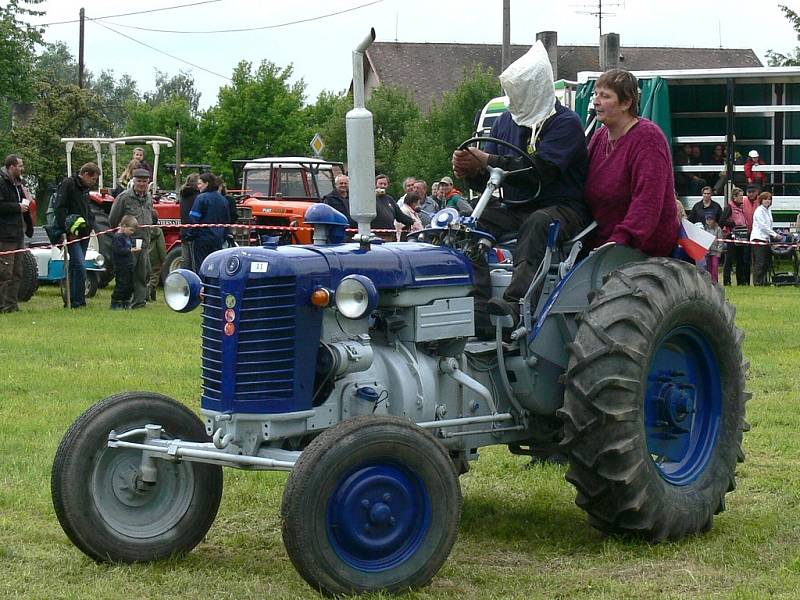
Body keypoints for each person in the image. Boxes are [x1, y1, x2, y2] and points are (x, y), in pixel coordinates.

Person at [452, 41, 590, 339]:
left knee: (538, 223)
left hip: (562, 205)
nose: (514, 100)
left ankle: (515, 306)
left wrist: (486, 159)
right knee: (471, 225)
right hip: (517, 206)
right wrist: (471, 171)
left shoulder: (566, 124)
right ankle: (477, 303)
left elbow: (542, 170)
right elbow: (495, 175)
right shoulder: (505, 121)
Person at [584, 68, 678, 257]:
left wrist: (621, 240)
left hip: (642, 251)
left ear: (626, 102)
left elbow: (647, 201)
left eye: (605, 96)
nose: (596, 101)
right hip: (601, 244)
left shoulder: (648, 138)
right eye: (596, 94)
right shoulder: (598, 137)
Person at [53, 162, 101, 308]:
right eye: (93, 179)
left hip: (84, 233)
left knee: (76, 266)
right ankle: (79, 301)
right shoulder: (68, 184)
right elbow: (59, 208)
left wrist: (91, 224)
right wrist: (67, 232)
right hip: (72, 235)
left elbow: (87, 209)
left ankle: (73, 300)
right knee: (80, 265)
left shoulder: (85, 189)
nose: (94, 183)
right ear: (86, 174)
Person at [109, 168, 158, 309]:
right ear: (134, 181)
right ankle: (121, 301)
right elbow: (113, 219)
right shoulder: (124, 197)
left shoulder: (149, 197)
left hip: (144, 240)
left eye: (145, 181)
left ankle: (139, 302)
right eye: (139, 181)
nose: (142, 184)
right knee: (127, 274)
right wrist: (121, 236)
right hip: (128, 242)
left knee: (143, 273)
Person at [0, 154, 33, 314]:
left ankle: (11, 305)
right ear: (11, 167)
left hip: (18, 233)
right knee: (5, 272)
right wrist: (17, 207)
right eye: (20, 166)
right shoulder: (1, 182)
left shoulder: (18, 183)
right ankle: (2, 306)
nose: (22, 168)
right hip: (5, 234)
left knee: (17, 272)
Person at [187, 173, 231, 271]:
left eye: (200, 183)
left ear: (206, 184)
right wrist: (223, 237)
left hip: (202, 239)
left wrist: (189, 235)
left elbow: (194, 220)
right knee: (216, 267)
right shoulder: (223, 200)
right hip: (218, 240)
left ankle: (202, 285)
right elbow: (227, 221)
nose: (198, 186)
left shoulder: (201, 198)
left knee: (201, 267)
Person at [721, 187, 752, 285]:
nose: (742, 198)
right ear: (734, 197)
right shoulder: (729, 207)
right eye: (740, 196)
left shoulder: (741, 207)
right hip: (731, 236)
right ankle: (727, 281)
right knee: (729, 259)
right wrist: (733, 224)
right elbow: (722, 221)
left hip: (741, 236)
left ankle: (741, 281)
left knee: (740, 259)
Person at [750, 191, 781, 285]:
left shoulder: (768, 211)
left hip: (766, 239)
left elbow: (769, 225)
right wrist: (775, 235)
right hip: (758, 238)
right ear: (761, 200)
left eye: (769, 199)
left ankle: (764, 281)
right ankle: (757, 282)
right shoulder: (759, 211)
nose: (767, 201)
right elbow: (763, 226)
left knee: (766, 262)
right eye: (765, 199)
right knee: (760, 262)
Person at [110, 215, 141, 309]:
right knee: (121, 284)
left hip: (129, 264)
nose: (132, 233)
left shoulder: (127, 236)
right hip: (121, 266)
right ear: (123, 226)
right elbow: (118, 250)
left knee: (130, 284)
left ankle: (126, 301)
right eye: (130, 230)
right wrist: (130, 250)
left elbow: (129, 246)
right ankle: (116, 302)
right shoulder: (117, 237)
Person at [179, 173, 201, 274]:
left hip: (184, 230)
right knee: (194, 262)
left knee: (185, 260)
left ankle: (184, 280)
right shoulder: (198, 196)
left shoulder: (183, 195)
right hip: (194, 232)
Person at [703, 214, 724, 284]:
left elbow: (720, 241)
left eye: (710, 219)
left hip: (715, 251)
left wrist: (719, 251)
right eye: (707, 219)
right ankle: (708, 281)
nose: (709, 221)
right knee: (708, 267)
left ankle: (715, 282)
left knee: (714, 267)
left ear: (714, 220)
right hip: (707, 251)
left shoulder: (718, 229)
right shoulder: (704, 229)